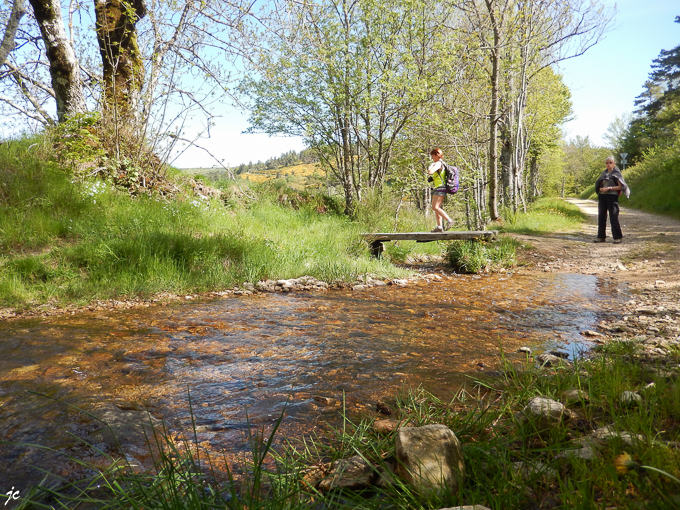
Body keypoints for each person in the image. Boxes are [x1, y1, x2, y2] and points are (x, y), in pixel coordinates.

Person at [594, 156, 630, 244]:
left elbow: (620, 186)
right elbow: (599, 184)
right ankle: (601, 237)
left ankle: (617, 237)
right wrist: (601, 189)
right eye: (607, 163)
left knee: (613, 217)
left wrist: (609, 188)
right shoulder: (604, 173)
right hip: (602, 196)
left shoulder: (616, 173)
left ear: (614, 163)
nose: (608, 164)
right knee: (601, 217)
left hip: (612, 196)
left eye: (610, 162)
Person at [427, 148, 454, 232]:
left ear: (436, 155)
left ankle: (449, 220)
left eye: (432, 156)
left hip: (441, 187)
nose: (432, 158)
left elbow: (430, 171)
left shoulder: (438, 163)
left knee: (434, 207)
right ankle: (439, 227)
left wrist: (431, 165)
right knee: (436, 208)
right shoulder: (440, 163)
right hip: (439, 187)